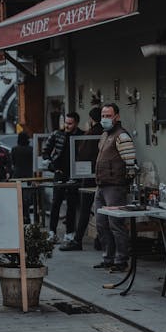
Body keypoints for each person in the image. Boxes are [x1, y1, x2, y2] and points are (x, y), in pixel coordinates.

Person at [93, 103, 136, 272]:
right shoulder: (104, 135)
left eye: (108, 116)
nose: (105, 119)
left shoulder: (121, 136)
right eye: (103, 116)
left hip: (115, 186)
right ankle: (108, 258)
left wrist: (124, 183)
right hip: (101, 185)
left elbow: (131, 163)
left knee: (115, 224)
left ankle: (121, 260)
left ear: (116, 117)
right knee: (101, 224)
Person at [60, 107, 103, 251]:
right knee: (102, 209)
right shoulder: (107, 132)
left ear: (91, 119)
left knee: (85, 209)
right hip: (103, 176)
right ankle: (100, 239)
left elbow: (82, 153)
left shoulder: (91, 133)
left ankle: (78, 240)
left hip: (89, 175)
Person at [43, 112, 84, 243]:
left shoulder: (81, 136)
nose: (67, 125)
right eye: (66, 122)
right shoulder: (57, 134)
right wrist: (53, 166)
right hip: (59, 173)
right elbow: (45, 152)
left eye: (70, 123)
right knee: (56, 203)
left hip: (74, 174)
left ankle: (70, 232)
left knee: (72, 203)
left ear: (76, 123)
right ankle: (52, 232)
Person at [11, 131, 34, 224]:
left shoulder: (15, 149)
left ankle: (19, 216)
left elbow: (13, 162)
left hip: (17, 175)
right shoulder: (31, 149)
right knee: (26, 198)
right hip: (28, 175)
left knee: (18, 196)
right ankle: (26, 216)